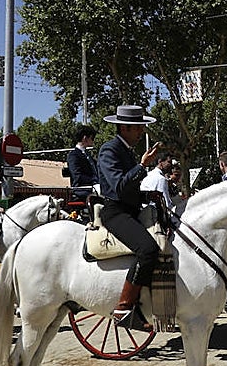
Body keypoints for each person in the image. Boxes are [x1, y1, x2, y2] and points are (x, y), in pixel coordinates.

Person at [98, 104, 163, 331]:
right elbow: (118, 188)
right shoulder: (109, 150)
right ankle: (124, 309)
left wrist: (150, 194)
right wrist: (142, 166)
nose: (141, 132)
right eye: (138, 128)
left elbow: (131, 189)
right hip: (115, 212)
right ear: (124, 128)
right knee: (148, 250)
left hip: (130, 210)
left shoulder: (125, 150)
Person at [66, 125, 99, 202]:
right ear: (85, 138)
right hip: (83, 190)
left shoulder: (88, 155)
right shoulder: (73, 155)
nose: (93, 140)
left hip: (93, 187)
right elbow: (77, 176)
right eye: (92, 138)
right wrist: (94, 180)